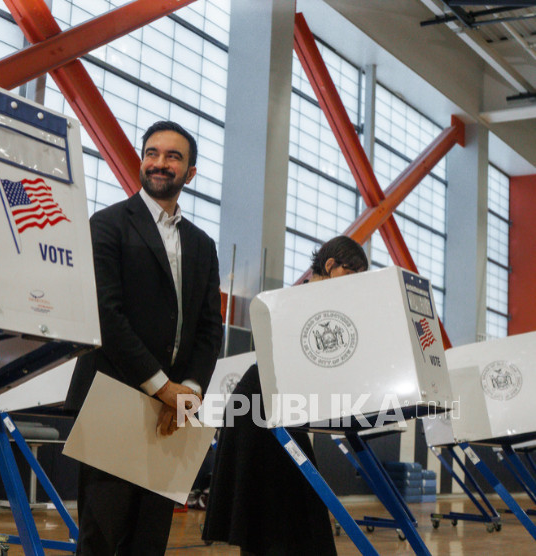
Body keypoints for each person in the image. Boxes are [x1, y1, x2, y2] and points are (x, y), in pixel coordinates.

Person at [65, 120, 223, 555]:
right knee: (102, 538)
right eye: (152, 153)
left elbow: (210, 330)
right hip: (114, 396)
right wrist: (162, 387)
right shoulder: (108, 224)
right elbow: (107, 316)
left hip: (171, 415)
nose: (159, 163)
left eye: (173, 156)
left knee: (148, 542)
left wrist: (187, 391)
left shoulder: (203, 245)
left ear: (190, 172)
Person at [202, 235, 369, 556]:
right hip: (258, 407)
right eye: (351, 275)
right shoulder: (304, 302)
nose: (354, 285)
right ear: (330, 265)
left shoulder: (320, 304)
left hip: (274, 407)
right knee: (277, 515)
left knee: (289, 515)